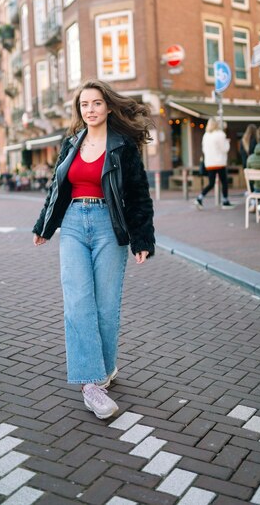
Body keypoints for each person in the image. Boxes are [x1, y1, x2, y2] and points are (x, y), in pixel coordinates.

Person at [32, 79, 155, 420]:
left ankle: (105, 366)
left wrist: (143, 239)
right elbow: (57, 188)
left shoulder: (123, 146)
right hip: (73, 222)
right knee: (77, 301)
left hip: (108, 226)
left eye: (96, 103)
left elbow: (138, 195)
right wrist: (44, 225)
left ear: (108, 107)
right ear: (80, 110)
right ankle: (90, 385)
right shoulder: (72, 143)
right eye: (84, 104)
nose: (90, 109)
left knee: (106, 305)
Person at [194, 117, 234, 210]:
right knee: (224, 182)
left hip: (209, 163)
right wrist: (227, 142)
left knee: (211, 183)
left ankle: (199, 198)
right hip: (220, 162)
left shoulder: (206, 135)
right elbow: (225, 149)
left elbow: (204, 149)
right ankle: (225, 201)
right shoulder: (220, 134)